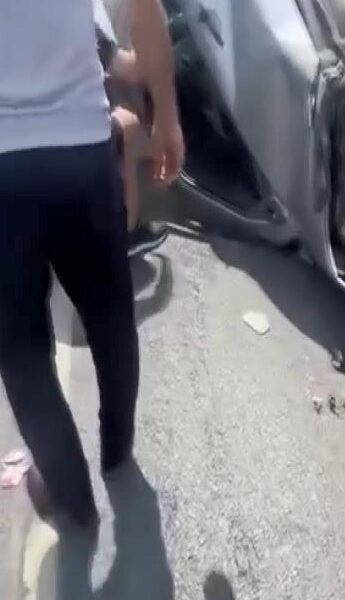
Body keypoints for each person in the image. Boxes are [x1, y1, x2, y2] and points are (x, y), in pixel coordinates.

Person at [0, 0, 184, 527]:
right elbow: (145, 10)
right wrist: (167, 118)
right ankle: (117, 452)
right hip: (82, 149)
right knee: (111, 317)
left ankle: (71, 497)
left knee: (20, 349)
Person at [95, 1, 171, 257]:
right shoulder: (81, 18)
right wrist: (157, 47)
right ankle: (128, 232)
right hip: (53, 134)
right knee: (129, 125)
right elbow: (132, 69)